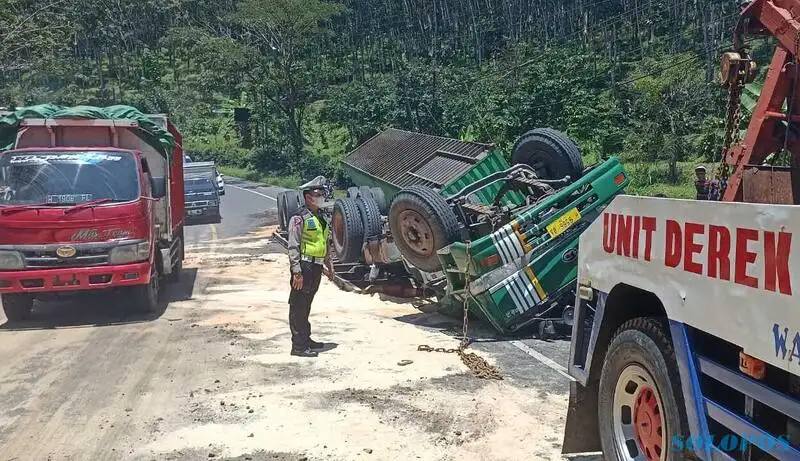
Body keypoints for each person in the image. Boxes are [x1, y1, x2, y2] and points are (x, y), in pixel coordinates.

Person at [286, 176, 334, 357]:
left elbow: (325, 244)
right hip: (304, 267)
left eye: (322, 193)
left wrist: (329, 265)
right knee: (298, 305)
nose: (321, 196)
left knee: (307, 305)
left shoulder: (320, 219)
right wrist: (296, 271)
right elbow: (293, 245)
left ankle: (306, 339)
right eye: (317, 194)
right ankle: (298, 346)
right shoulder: (299, 218)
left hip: (316, 267)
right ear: (307, 197)